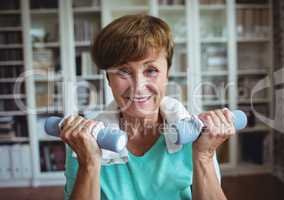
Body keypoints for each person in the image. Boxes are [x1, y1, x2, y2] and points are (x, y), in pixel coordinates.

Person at [62, 14, 235, 200]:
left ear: (167, 74)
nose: (138, 86)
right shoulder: (84, 143)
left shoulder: (197, 138)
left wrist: (204, 157)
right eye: (123, 71)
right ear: (108, 79)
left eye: (151, 70)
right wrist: (88, 163)